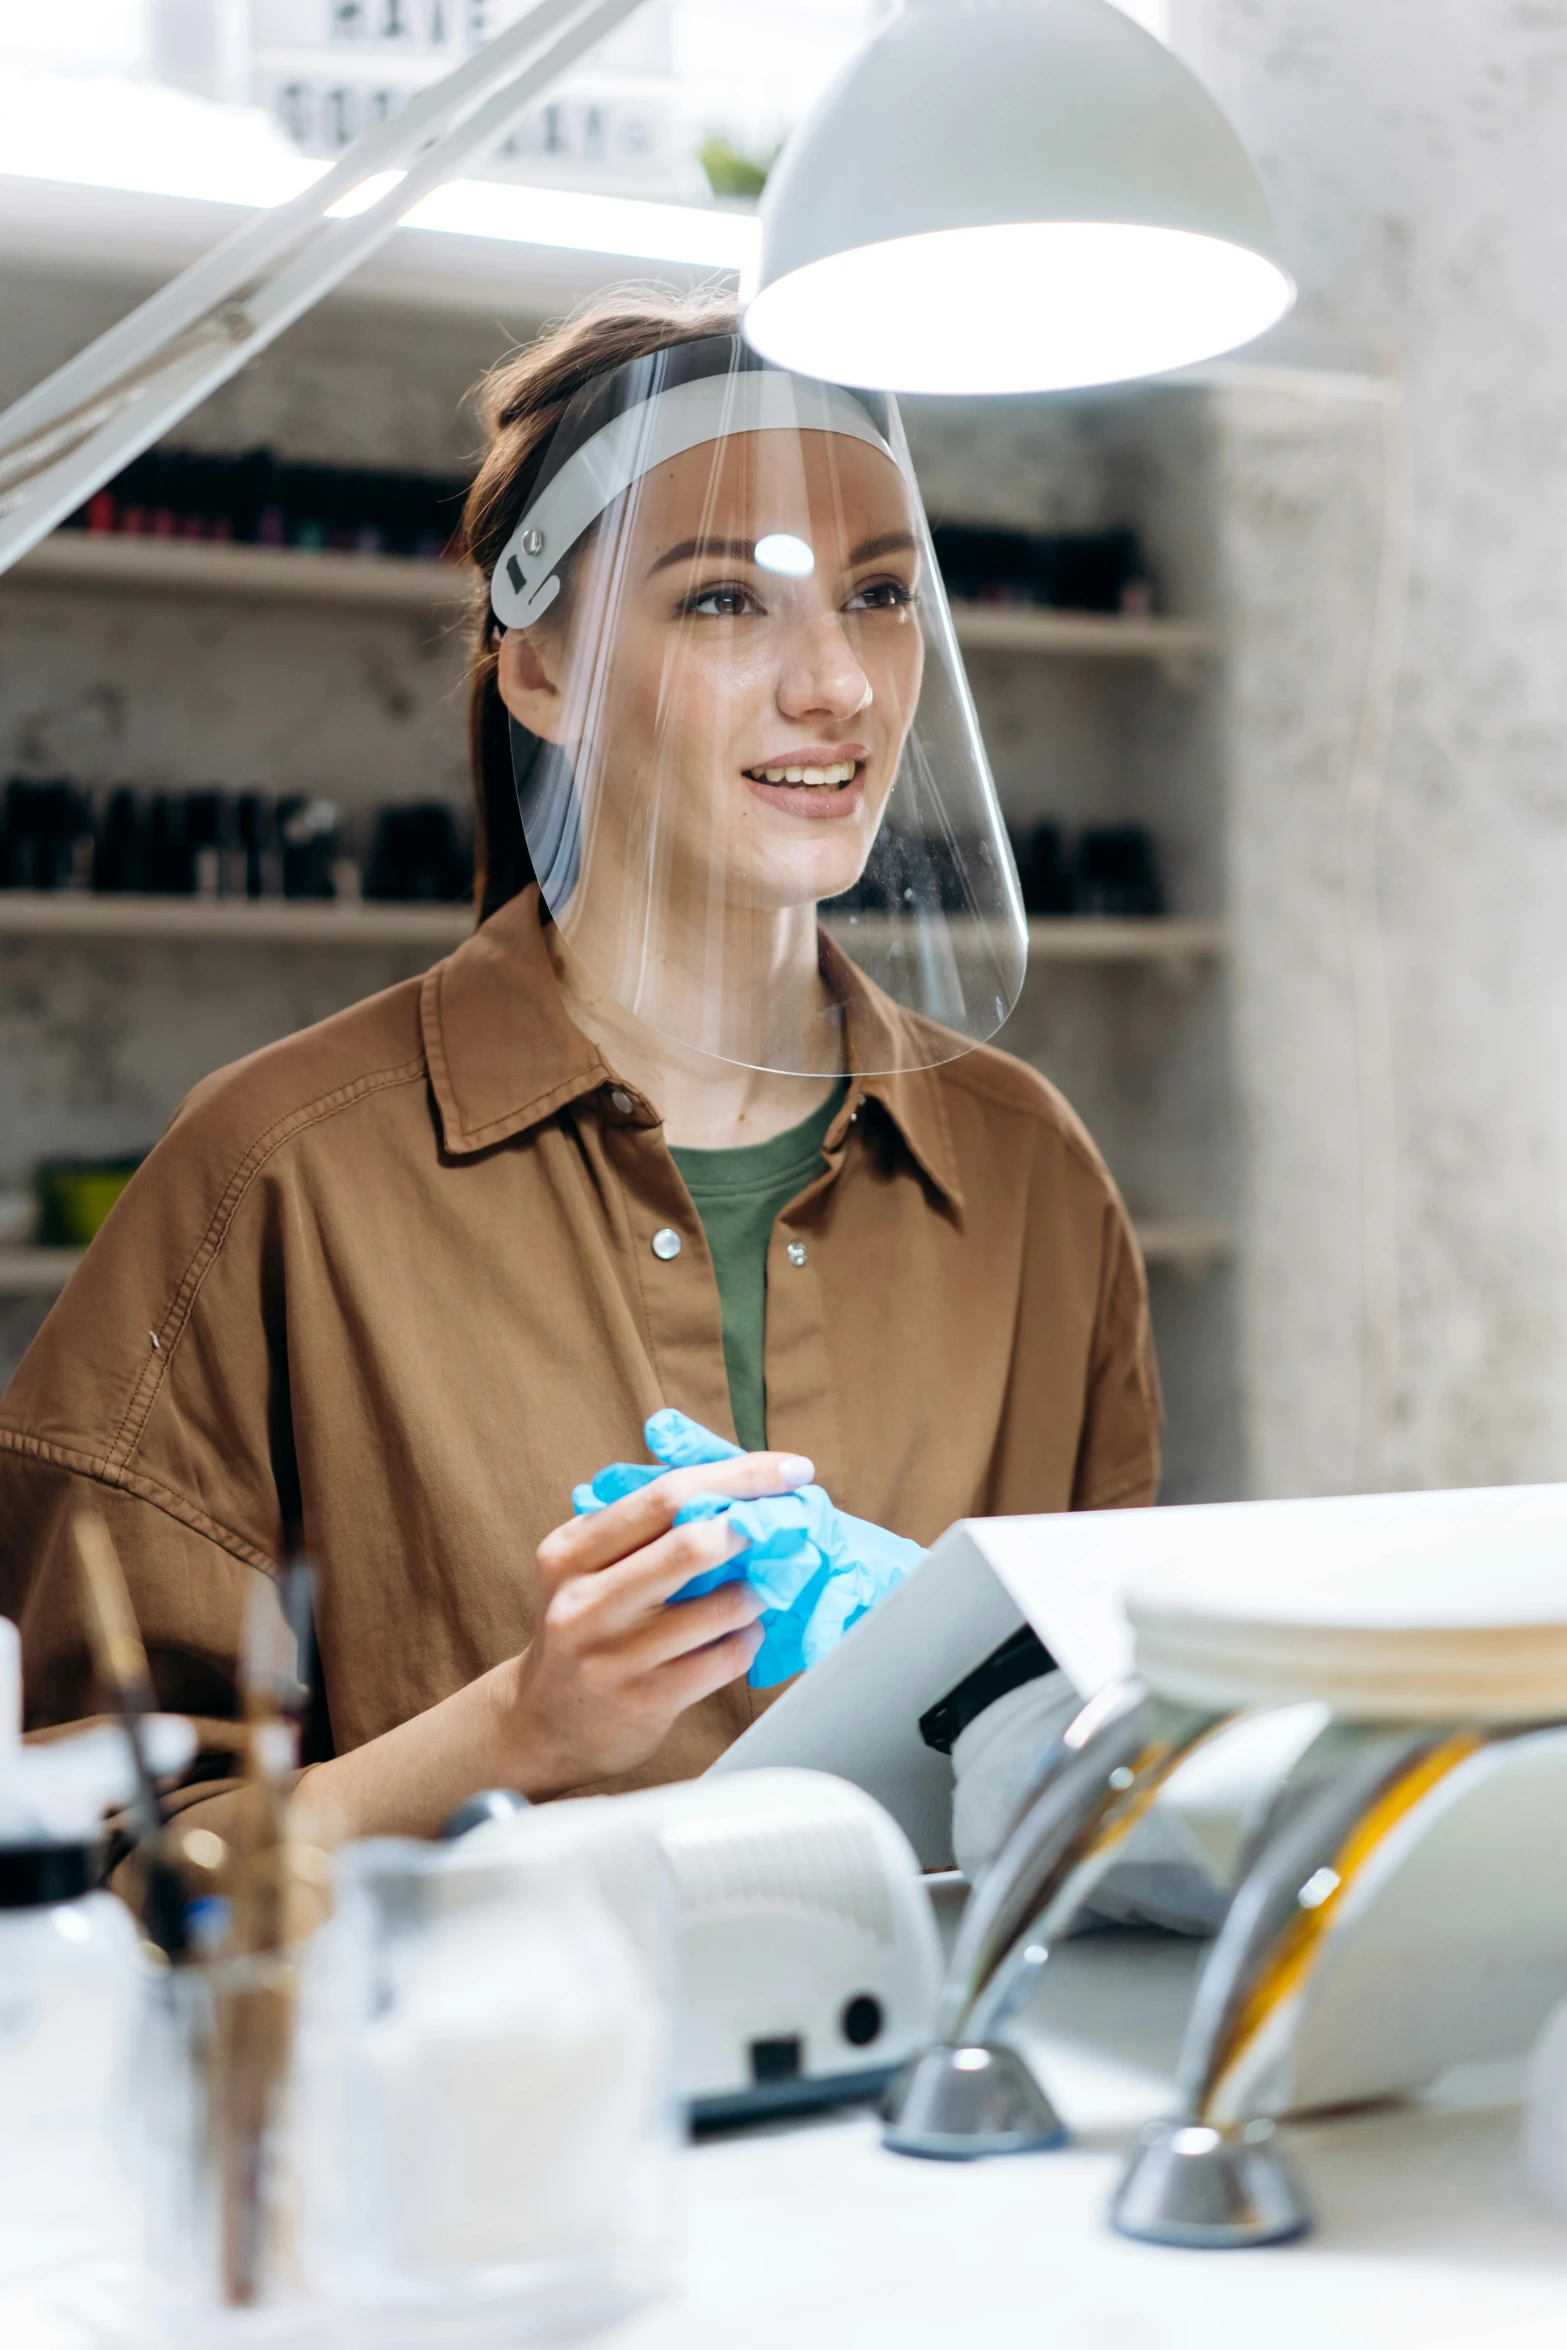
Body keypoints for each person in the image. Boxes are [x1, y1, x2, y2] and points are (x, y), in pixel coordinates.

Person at [0, 290, 1160, 1851]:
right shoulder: (272, 1178)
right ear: (537, 675)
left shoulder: (1032, 1176)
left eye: (879, 595)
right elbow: (103, 1880)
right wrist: (518, 1726)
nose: (838, 686)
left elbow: (1124, 1781)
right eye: (724, 603)